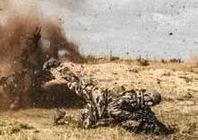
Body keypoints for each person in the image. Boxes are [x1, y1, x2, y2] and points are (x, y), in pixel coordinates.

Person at [42, 58, 170, 135]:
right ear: (148, 97)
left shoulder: (141, 103)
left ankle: (61, 116)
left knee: (88, 122)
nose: (150, 104)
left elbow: (152, 119)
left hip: (100, 99)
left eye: (152, 103)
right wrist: (133, 116)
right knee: (76, 83)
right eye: (151, 102)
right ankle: (56, 65)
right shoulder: (132, 99)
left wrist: (160, 127)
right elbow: (113, 110)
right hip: (99, 99)